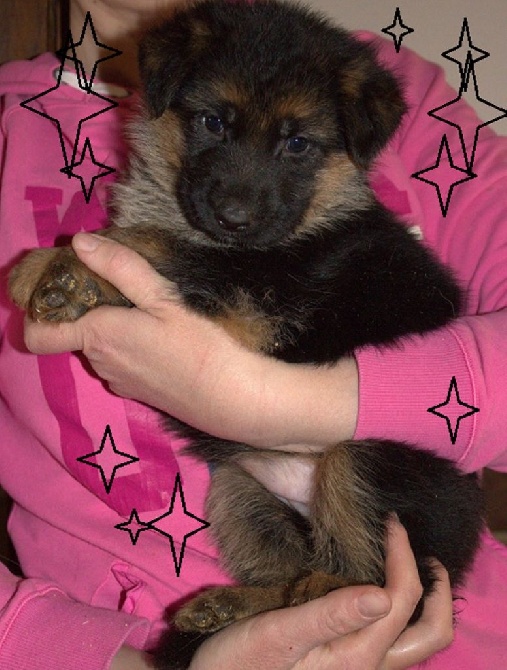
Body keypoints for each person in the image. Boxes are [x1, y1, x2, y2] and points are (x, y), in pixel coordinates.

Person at [1, 0, 506, 668]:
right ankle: (280, 599)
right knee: (235, 489)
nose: (240, 197)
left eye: (297, 147)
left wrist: (286, 408)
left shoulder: (374, 88)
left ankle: (335, 592)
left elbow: (234, 303)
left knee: (353, 462)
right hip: (145, 644)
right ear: (166, 95)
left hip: (439, 601)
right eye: (213, 124)